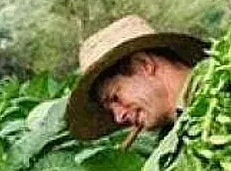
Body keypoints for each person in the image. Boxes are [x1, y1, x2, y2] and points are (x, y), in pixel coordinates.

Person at [66, 14, 209, 140]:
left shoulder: (223, 89)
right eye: (111, 109)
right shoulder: (180, 139)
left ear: (144, 64)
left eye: (115, 98)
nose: (118, 117)